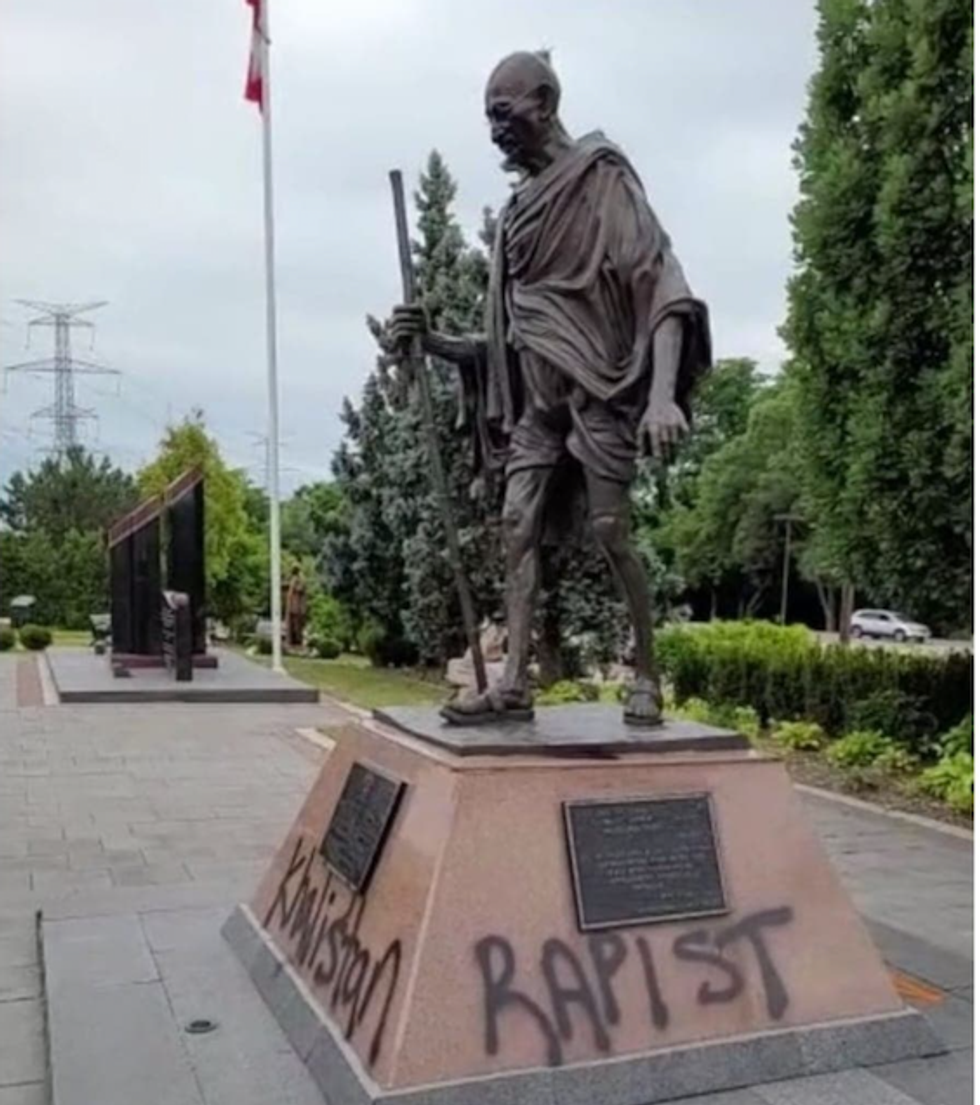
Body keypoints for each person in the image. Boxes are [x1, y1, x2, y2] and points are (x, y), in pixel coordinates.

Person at [389, 50, 711, 726]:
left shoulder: (601, 180)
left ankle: (648, 674)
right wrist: (433, 342)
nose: (495, 131)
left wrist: (660, 396)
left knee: (610, 531)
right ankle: (512, 682)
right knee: (515, 529)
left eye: (503, 115)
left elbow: (661, 284)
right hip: (538, 407)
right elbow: (505, 340)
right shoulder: (516, 216)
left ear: (544, 102)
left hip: (601, 391)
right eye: (487, 119)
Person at [284, 565, 307, 650]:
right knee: (291, 625)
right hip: (291, 606)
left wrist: (295, 587)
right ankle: (290, 642)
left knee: (297, 626)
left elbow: (301, 589)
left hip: (296, 607)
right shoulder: (293, 579)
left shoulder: (300, 580)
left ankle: (297, 642)